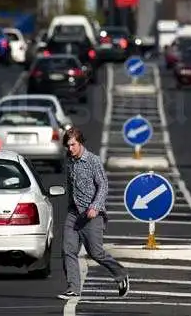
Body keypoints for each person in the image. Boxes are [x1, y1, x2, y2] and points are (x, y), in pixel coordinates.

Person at [58, 127, 129, 300]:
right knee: (68, 250)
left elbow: (103, 185)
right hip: (74, 214)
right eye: (67, 146)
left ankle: (121, 273)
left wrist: (95, 206)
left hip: (92, 214)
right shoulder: (70, 160)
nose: (70, 149)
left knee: (96, 253)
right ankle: (73, 288)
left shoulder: (93, 161)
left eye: (73, 145)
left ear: (80, 143)